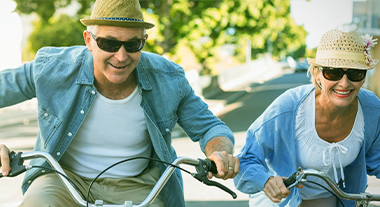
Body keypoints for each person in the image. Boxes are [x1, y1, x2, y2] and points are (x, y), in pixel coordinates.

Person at [0, 0, 239, 206]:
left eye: (133, 45)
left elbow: (211, 128)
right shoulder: (52, 68)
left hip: (140, 184)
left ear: (144, 41)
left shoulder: (169, 79)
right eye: (109, 44)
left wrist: (219, 152)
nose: (122, 56)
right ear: (89, 40)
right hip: (63, 179)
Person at [234, 29, 380, 207]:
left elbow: (377, 160)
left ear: (364, 77)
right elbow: (246, 159)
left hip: (327, 201)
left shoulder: (371, 108)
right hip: (280, 202)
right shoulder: (288, 108)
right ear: (317, 74)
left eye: (355, 73)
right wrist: (266, 181)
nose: (344, 83)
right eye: (333, 72)